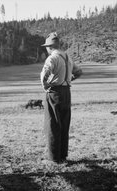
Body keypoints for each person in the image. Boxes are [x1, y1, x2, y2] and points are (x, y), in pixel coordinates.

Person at [40, 32, 82, 163]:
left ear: (50, 47)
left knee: (53, 125)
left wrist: (46, 86)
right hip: (67, 92)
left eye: (47, 47)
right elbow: (79, 72)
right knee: (64, 124)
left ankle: (54, 158)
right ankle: (63, 156)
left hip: (55, 93)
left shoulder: (52, 58)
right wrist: (68, 80)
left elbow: (44, 75)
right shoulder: (67, 57)